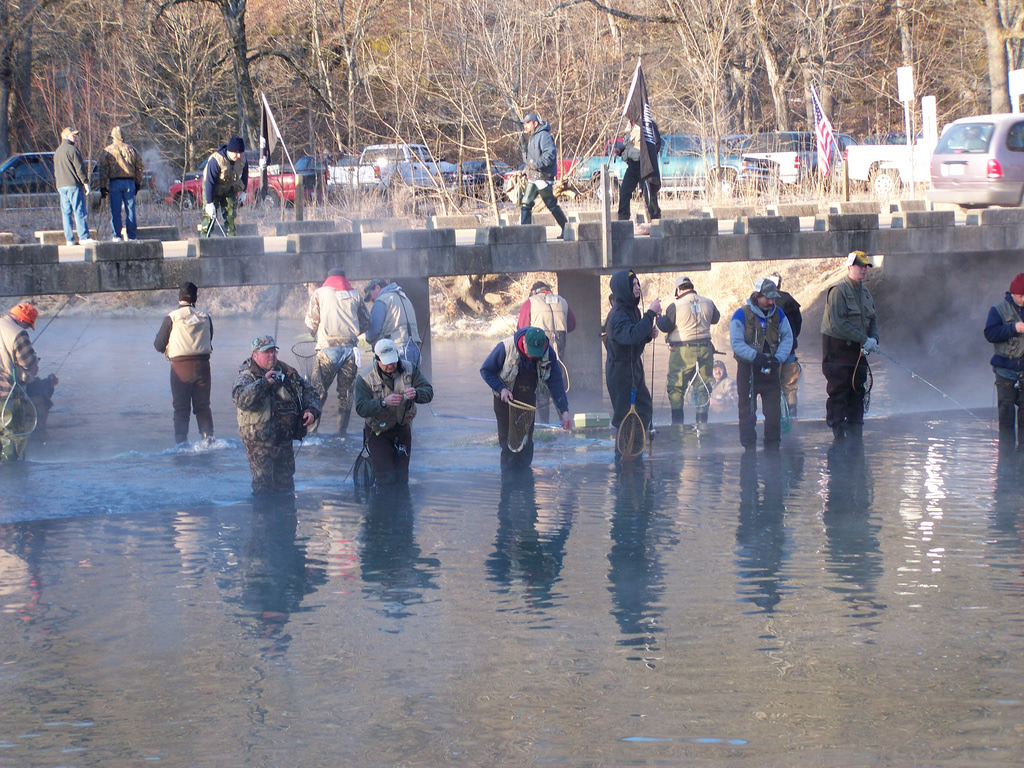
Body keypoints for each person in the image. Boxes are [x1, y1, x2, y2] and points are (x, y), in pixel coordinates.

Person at [232, 335, 320, 495]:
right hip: (258, 442)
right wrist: (263, 383)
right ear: (255, 355)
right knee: (263, 486)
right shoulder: (246, 375)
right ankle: (263, 518)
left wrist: (311, 410)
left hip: (284, 439)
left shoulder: (287, 372)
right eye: (267, 352)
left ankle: (286, 518)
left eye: (274, 351)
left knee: (286, 485)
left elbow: (310, 391)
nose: (271, 355)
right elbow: (240, 398)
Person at [480, 326, 572, 470]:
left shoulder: (548, 352)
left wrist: (564, 410)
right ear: (523, 343)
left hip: (527, 401)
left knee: (526, 441)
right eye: (531, 352)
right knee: (507, 444)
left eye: (537, 354)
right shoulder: (505, 348)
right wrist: (501, 389)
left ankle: (526, 481)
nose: (533, 357)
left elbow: (556, 382)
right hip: (504, 401)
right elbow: (486, 370)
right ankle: (508, 480)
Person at [354, 338, 434, 485]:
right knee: (385, 477)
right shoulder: (364, 378)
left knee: (402, 476)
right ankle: (384, 505)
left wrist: (416, 393)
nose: (391, 365)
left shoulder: (411, 369)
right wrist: (383, 403)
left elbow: (428, 392)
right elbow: (361, 408)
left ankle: (402, 506)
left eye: (393, 360)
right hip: (377, 432)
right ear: (377, 359)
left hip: (403, 429)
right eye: (386, 362)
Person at [821, 251, 880, 439]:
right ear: (849, 266)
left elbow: (873, 320)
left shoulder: (865, 293)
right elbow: (839, 323)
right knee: (839, 390)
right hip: (837, 349)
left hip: (859, 351)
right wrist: (865, 339)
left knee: (858, 389)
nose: (863, 269)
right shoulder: (838, 291)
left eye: (865, 266)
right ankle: (837, 435)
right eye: (859, 266)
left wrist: (874, 340)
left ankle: (856, 431)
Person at [729, 278, 793, 449]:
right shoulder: (741, 314)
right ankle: (748, 449)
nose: (771, 302)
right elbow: (736, 342)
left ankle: (773, 448)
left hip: (771, 368)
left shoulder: (779, 313)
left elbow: (788, 337)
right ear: (757, 295)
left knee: (773, 414)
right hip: (748, 369)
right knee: (747, 412)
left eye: (773, 298)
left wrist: (778, 358)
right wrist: (755, 356)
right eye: (768, 298)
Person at [305, 268, 370, 435]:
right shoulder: (356, 295)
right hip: (351, 351)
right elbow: (366, 322)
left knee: (317, 391)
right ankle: (342, 432)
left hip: (327, 350)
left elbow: (312, 322)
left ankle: (312, 433)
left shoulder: (319, 294)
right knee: (346, 394)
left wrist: (317, 335)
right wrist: (352, 333)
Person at [605, 269, 661, 454]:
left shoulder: (632, 310)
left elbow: (636, 336)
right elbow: (629, 336)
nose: (638, 288)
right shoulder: (617, 315)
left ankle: (635, 448)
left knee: (644, 408)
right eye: (634, 285)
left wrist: (648, 335)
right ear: (624, 289)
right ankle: (623, 457)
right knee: (624, 418)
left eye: (638, 284)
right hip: (620, 373)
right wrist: (650, 314)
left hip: (634, 368)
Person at [153, 282, 214, 445]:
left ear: (179, 298)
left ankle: (181, 445)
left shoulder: (172, 317)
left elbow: (158, 345)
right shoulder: (205, 316)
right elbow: (210, 338)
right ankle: (208, 441)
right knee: (203, 407)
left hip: (180, 369)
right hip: (203, 368)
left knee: (181, 409)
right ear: (195, 297)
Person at [656, 275, 720, 426]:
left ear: (678, 289)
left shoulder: (675, 305)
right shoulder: (708, 302)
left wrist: (658, 316)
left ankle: (677, 425)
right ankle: (702, 424)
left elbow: (664, 326)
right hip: (705, 350)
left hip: (682, 351)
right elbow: (715, 319)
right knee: (702, 387)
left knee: (676, 387)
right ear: (691, 286)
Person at [0, 303, 57, 460]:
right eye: (28, 323)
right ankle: (14, 476)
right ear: (22, 319)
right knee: (13, 437)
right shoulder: (18, 334)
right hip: (7, 394)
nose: (27, 326)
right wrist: (34, 364)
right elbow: (29, 365)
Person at [984, 272, 1024, 443]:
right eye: (1021, 296)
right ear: (1012, 293)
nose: (1023, 299)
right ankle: (1006, 458)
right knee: (1006, 417)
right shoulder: (997, 309)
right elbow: (990, 334)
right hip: (1005, 372)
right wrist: (1013, 328)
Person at [518, 112, 568, 235]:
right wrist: (525, 170)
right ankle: (526, 233)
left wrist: (536, 165)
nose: (525, 126)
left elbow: (549, 155)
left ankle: (567, 229)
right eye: (524, 123)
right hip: (534, 177)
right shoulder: (533, 137)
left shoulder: (544, 136)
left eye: (527, 123)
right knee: (526, 203)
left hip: (543, 177)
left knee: (551, 204)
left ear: (535, 123)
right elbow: (531, 160)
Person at [98, 126, 145, 241]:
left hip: (115, 182)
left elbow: (103, 170)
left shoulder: (107, 151)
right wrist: (138, 183)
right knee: (130, 210)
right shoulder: (131, 150)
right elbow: (139, 167)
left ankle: (117, 235)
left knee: (116, 210)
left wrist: (103, 186)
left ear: (113, 137)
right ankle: (132, 236)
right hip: (129, 182)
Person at [767, 271, 803, 418]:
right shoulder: (790, 300)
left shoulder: (767, 302)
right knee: (790, 386)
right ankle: (792, 417)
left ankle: (774, 418)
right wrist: (792, 339)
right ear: (780, 284)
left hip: (772, 351)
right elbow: (798, 324)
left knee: (772, 385)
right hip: (789, 350)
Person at [364, 279, 422, 366]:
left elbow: (372, 333)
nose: (371, 299)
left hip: (397, 350)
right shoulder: (404, 298)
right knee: (412, 379)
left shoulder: (381, 301)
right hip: (415, 350)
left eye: (370, 295)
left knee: (394, 379)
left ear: (378, 287)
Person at [615, 119, 662, 225]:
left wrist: (649, 159)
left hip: (644, 165)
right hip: (632, 166)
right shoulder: (629, 127)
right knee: (624, 191)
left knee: (649, 193)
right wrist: (620, 150)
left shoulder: (648, 124)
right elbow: (630, 146)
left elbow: (656, 143)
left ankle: (655, 220)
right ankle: (623, 221)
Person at [199, 137, 248, 237]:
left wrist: (244, 191)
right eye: (236, 153)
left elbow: (245, 173)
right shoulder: (216, 160)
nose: (238, 155)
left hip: (229, 188)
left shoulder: (242, 159)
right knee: (209, 218)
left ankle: (231, 241)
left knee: (231, 216)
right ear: (230, 151)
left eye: (240, 153)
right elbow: (209, 182)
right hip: (213, 190)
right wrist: (209, 203)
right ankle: (204, 241)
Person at [54, 127, 95, 246]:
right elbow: (80, 169)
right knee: (79, 210)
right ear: (66, 136)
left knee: (66, 213)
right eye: (73, 135)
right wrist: (86, 183)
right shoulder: (72, 150)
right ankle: (83, 236)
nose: (76, 137)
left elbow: (56, 171)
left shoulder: (57, 152)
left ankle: (69, 239)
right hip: (73, 185)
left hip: (61, 186)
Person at [517, 281, 576, 358]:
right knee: (557, 365)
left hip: (538, 339)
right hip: (560, 339)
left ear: (533, 292)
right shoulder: (563, 301)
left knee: (539, 365)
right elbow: (572, 325)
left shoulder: (530, 302)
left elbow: (522, 329)